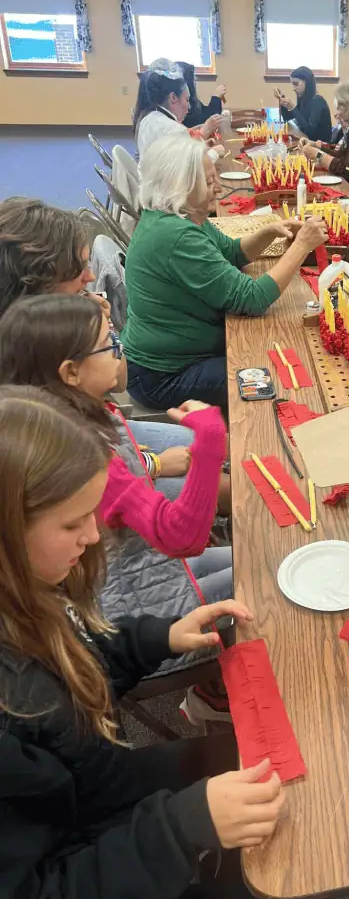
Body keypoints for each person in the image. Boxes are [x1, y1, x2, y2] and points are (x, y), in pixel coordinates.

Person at [0, 386, 284, 899]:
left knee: (273, 769)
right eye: (71, 523)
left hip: (96, 785)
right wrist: (179, 830)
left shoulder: (28, 595)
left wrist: (156, 639)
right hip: (87, 854)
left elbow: (80, 660)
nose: (92, 535)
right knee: (281, 871)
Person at [0, 294, 235, 721]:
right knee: (266, 588)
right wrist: (208, 445)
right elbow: (183, 538)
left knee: (256, 558)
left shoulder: (77, 419)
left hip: (142, 575)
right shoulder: (84, 453)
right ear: (70, 372)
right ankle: (213, 699)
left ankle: (211, 689)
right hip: (134, 615)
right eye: (110, 345)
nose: (119, 351)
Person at [0, 196, 201, 505]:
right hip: (74, 475)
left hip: (101, 433)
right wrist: (155, 466)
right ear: (40, 282)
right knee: (204, 486)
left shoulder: (74, 314)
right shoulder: (21, 362)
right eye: (77, 269)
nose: (90, 276)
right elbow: (63, 465)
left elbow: (119, 383)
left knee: (196, 446)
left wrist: (103, 330)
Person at [123, 135, 327, 411]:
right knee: (271, 375)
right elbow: (253, 299)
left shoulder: (183, 215)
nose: (217, 188)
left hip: (179, 357)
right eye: (207, 182)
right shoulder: (177, 236)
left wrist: (268, 232)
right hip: (162, 375)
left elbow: (230, 252)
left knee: (270, 351)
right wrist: (302, 246)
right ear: (179, 187)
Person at [133, 61, 222, 156]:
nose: (189, 106)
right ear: (173, 98)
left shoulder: (149, 118)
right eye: (187, 100)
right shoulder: (172, 128)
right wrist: (213, 153)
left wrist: (200, 145)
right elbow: (186, 166)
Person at [274, 65, 332, 143]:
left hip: (320, 147)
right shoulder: (303, 98)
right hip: (307, 142)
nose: (294, 88)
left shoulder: (318, 101)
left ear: (306, 82)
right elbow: (287, 118)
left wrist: (293, 108)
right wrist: (283, 102)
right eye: (292, 84)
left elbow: (309, 131)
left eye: (296, 83)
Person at [177, 60, 227, 128]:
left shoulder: (191, 100)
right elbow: (207, 121)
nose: (196, 79)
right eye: (193, 77)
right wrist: (216, 97)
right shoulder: (183, 103)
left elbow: (205, 113)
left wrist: (217, 97)